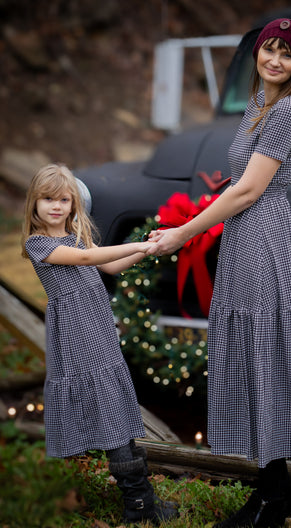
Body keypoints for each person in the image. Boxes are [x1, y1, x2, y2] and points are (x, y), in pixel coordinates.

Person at [147, 18, 291, 528]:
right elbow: (238, 186)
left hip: (261, 234)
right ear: (256, 56)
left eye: (286, 55)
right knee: (253, 350)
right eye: (268, 50)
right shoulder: (257, 105)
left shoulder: (288, 110)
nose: (274, 61)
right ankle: (280, 491)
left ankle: (268, 499)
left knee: (262, 351)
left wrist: (184, 234)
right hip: (246, 233)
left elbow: (247, 191)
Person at [21, 163, 177, 526]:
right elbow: (90, 259)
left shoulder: (75, 237)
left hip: (97, 329)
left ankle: (143, 499)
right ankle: (137, 506)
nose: (56, 207)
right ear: (34, 204)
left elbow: (110, 267)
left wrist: (148, 248)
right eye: (48, 199)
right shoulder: (39, 243)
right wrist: (136, 242)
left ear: (74, 204)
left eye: (64, 199)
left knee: (117, 412)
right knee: (108, 410)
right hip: (77, 334)